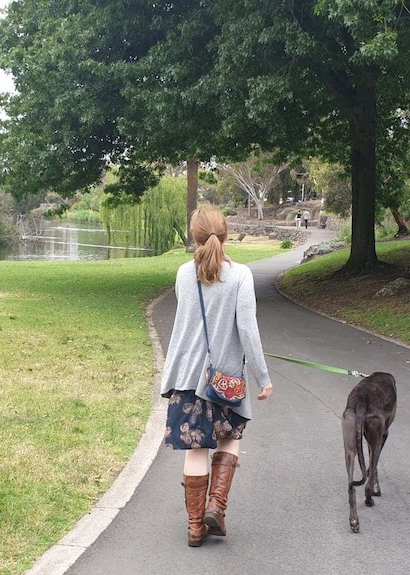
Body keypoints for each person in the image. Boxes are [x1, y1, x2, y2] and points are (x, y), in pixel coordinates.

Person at [160, 205, 273, 547]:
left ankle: (196, 527)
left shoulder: (182, 273)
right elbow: (248, 330)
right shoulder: (240, 276)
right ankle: (216, 506)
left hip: (186, 377)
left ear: (194, 236)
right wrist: (262, 377)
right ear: (226, 234)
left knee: (195, 450)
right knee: (230, 436)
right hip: (224, 379)